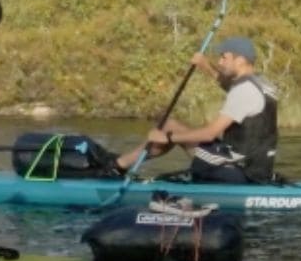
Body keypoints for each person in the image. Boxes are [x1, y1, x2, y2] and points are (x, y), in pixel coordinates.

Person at [119, 36, 280, 184]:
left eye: (224, 57)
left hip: (240, 172)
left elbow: (209, 133)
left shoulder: (244, 90)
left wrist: (167, 138)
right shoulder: (260, 83)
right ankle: (121, 164)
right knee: (171, 125)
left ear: (240, 60)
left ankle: (118, 166)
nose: (220, 62)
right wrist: (205, 66)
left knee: (169, 130)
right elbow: (230, 86)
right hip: (256, 168)